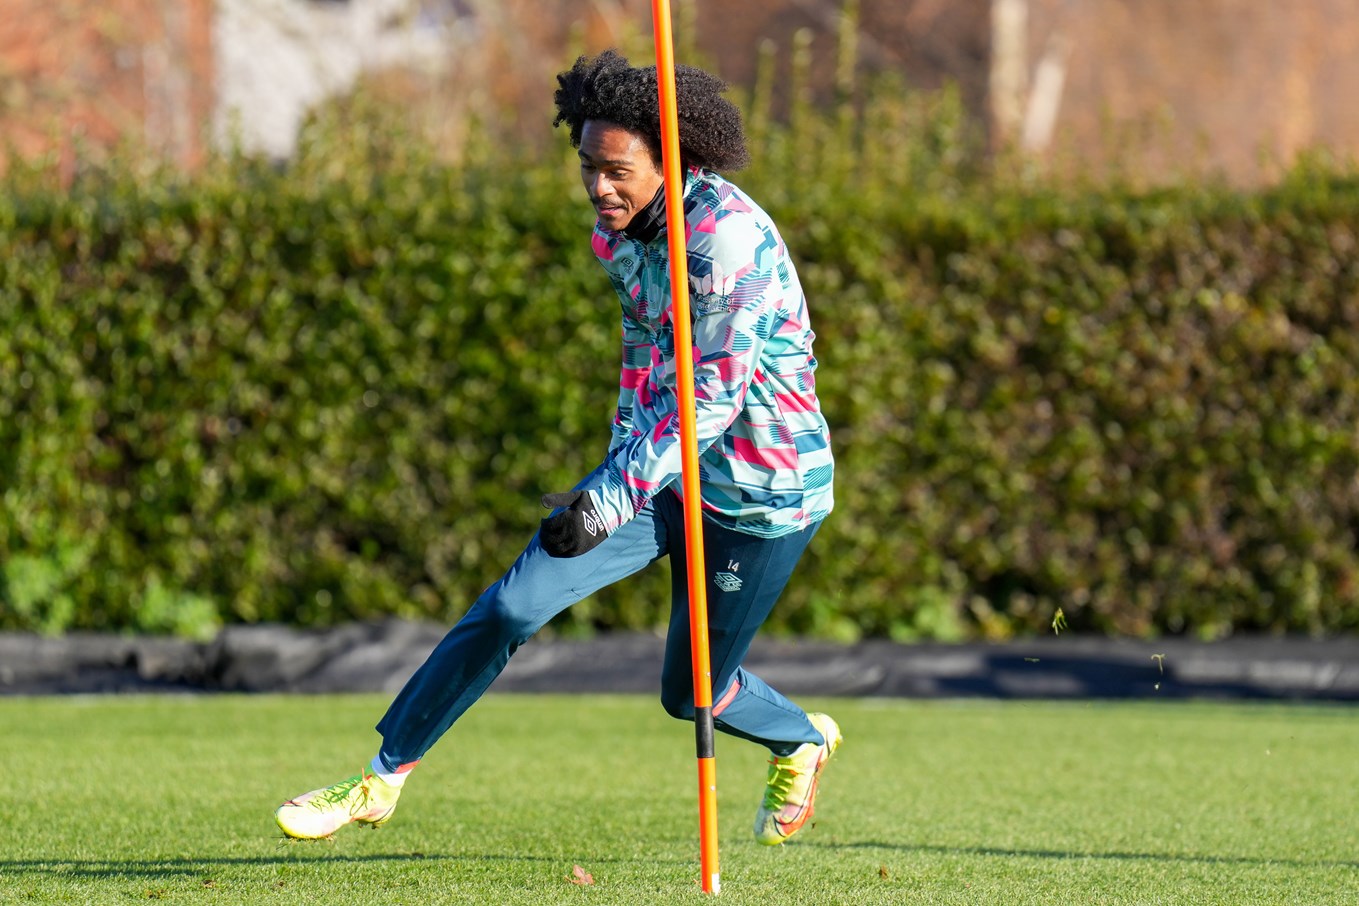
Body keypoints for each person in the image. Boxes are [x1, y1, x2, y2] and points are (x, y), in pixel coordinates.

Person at [275, 49, 840, 848]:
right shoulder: (617, 239)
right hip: (659, 479)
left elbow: (709, 400)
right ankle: (379, 778)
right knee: (512, 603)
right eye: (587, 168)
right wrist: (614, 474)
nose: (599, 188)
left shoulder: (727, 243)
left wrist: (607, 498)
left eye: (617, 172)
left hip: (758, 496)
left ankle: (800, 740)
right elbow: (644, 359)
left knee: (693, 695)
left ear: (673, 162)